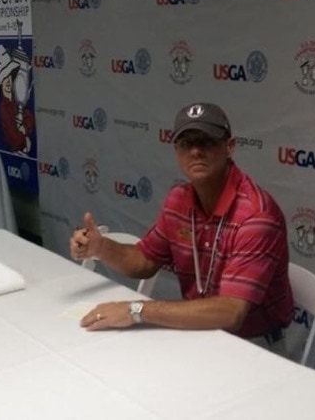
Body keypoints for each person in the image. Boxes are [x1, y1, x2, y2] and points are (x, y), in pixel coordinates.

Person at [70, 102, 293, 349]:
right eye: (186, 144)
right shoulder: (179, 199)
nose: (195, 151)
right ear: (176, 151)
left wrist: (136, 310)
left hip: (253, 345)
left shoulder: (256, 216)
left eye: (206, 141)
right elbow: (144, 261)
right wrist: (101, 249)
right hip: (197, 330)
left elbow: (231, 313)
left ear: (229, 147)